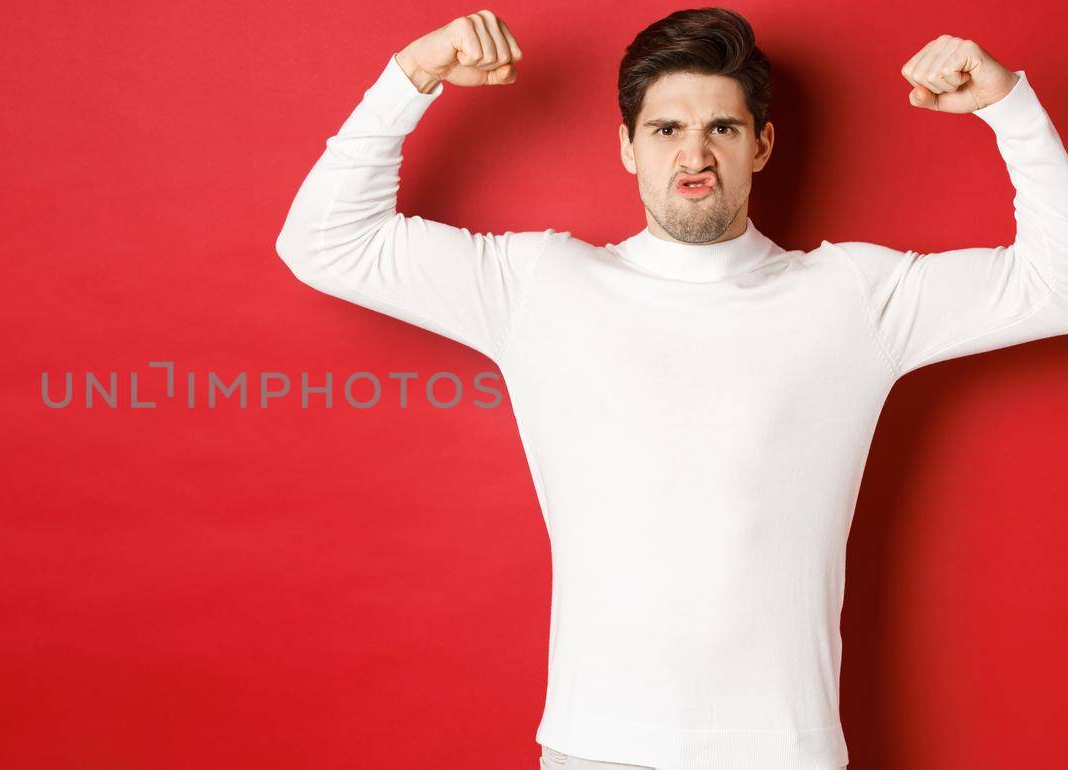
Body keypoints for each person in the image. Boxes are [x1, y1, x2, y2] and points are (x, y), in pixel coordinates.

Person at [273, 7, 1068, 770]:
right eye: (666, 130)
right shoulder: (542, 285)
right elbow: (323, 245)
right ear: (627, 147)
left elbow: (1057, 283)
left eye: (720, 128)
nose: (695, 155)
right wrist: (414, 74)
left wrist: (1009, 106)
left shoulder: (853, 295)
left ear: (761, 144)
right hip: (597, 747)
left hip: (781, 753)